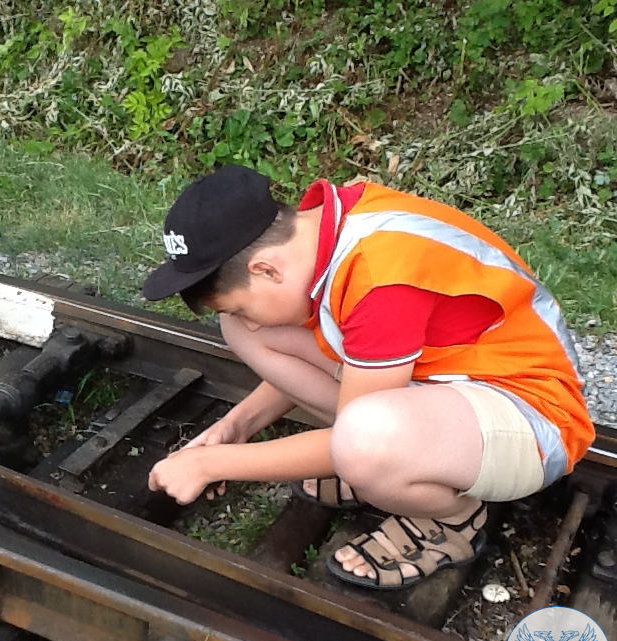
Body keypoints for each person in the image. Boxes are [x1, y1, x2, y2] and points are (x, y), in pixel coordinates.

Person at [142, 164, 594, 589]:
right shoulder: (327, 231)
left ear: (266, 269)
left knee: (363, 444)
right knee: (240, 330)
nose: (251, 320)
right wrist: (235, 427)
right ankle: (387, 469)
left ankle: (452, 519)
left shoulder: (379, 277)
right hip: (450, 382)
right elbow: (338, 364)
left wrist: (210, 464)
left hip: (535, 417)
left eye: (242, 301)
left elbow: (358, 430)